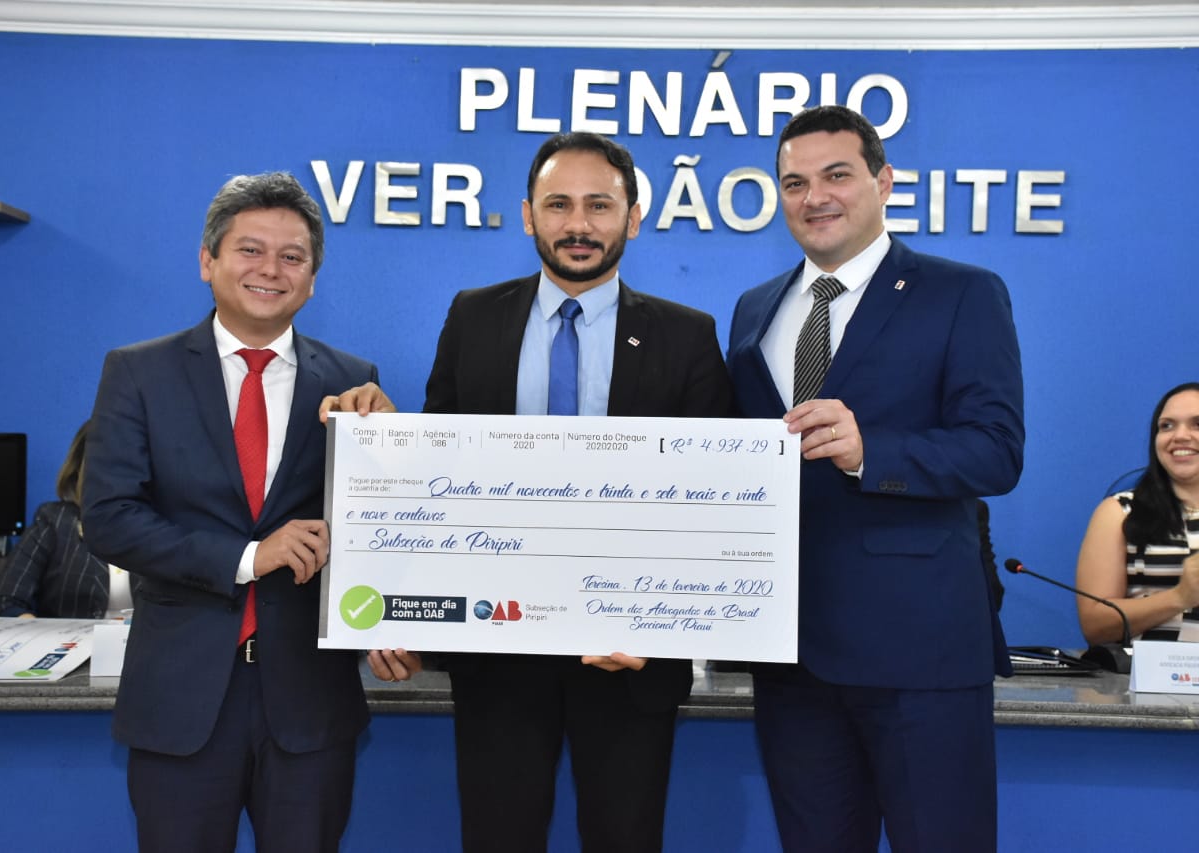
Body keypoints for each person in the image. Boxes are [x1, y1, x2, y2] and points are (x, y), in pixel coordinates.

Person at [353, 132, 732, 853]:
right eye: (559, 205)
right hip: (497, 651)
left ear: (633, 218)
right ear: (528, 215)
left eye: (599, 205)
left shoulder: (687, 336)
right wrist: (400, 606)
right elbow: (438, 483)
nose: (578, 224)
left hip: (629, 656)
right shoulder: (473, 317)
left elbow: (708, 501)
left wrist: (659, 626)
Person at [726, 105, 1024, 853]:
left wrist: (871, 452)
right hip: (791, 655)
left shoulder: (962, 293)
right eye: (794, 182)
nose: (814, 197)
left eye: (836, 175)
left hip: (919, 651)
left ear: (883, 182)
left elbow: (996, 451)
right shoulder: (755, 309)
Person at [81, 171, 394, 853]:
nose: (270, 270)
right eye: (250, 250)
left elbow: (377, 530)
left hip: (310, 703)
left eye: (292, 256)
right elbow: (108, 516)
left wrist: (391, 452)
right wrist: (250, 557)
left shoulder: (353, 381)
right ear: (208, 260)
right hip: (181, 700)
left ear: (312, 279)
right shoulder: (139, 373)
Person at [1075, 382, 1199, 644]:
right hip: (1149, 669)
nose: (1180, 436)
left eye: (1197, 424)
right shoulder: (1120, 512)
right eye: (1167, 426)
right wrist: (1180, 597)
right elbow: (1095, 626)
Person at [0, 420, 139, 618]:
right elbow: (3, 602)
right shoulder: (53, 522)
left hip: (148, 638)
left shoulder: (166, 525)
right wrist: (32, 627)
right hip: (72, 638)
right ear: (79, 469)